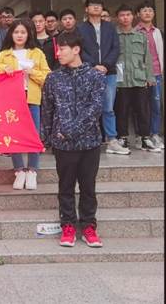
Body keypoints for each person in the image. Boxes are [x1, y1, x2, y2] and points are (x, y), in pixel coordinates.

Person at [40, 31, 106, 248]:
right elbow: (47, 110)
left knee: (88, 187)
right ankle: (67, 225)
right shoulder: (53, 78)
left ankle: (88, 226)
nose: (58, 53)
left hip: (89, 142)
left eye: (62, 49)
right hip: (63, 144)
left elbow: (95, 108)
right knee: (65, 186)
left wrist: (70, 130)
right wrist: (45, 137)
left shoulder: (95, 76)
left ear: (76, 49)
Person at [0, 19, 50, 190]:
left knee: (33, 133)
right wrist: (4, 69)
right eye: (16, 32)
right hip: (11, 99)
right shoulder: (4, 54)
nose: (19, 35)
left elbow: (47, 76)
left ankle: (32, 170)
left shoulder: (37, 53)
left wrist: (32, 72)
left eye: (23, 32)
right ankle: (18, 169)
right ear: (11, 34)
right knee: (13, 133)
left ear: (29, 34)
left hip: (31, 98)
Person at [79, 0, 126, 155]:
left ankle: (111, 140)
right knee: (87, 107)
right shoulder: (80, 28)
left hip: (108, 72)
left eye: (99, 5)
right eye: (93, 5)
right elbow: (79, 49)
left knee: (108, 107)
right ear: (86, 9)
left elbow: (116, 48)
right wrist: (94, 65)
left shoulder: (110, 27)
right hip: (88, 73)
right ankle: (88, 139)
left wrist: (105, 65)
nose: (96, 7)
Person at [114, 5, 160, 152]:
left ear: (133, 16)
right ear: (117, 18)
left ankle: (145, 137)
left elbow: (147, 57)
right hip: (121, 80)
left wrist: (150, 76)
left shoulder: (141, 36)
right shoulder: (114, 36)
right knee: (121, 110)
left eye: (128, 14)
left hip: (139, 79)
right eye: (122, 15)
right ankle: (123, 137)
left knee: (143, 109)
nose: (125, 18)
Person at [135, 1, 164, 150]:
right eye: (144, 10)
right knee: (141, 107)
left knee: (156, 106)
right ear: (138, 14)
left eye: (150, 10)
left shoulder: (157, 32)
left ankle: (155, 134)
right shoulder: (135, 31)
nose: (147, 13)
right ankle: (141, 135)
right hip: (140, 75)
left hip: (157, 73)